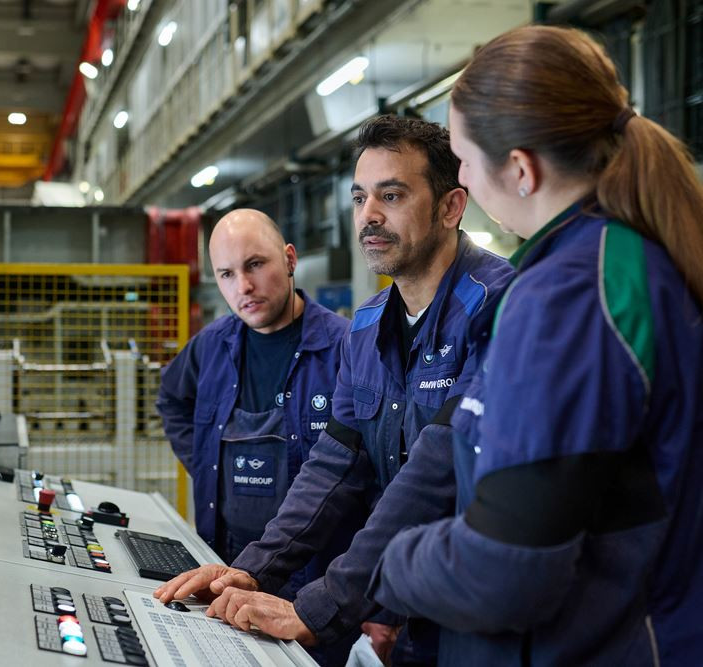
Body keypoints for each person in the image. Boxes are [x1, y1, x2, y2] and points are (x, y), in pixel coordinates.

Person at [368, 26, 703, 665]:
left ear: (520, 170)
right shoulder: (625, 260)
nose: (458, 175)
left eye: (463, 156)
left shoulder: (568, 297)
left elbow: (504, 572)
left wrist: (395, 563)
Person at [156, 116, 513, 666]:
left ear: (451, 207)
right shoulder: (368, 326)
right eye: (359, 197)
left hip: (485, 613)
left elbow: (434, 476)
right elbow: (335, 465)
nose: (368, 215)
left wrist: (322, 605)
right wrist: (252, 568)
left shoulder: (497, 307)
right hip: (415, 605)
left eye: (391, 195)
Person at [156, 209, 358, 605]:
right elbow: (171, 400)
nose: (243, 286)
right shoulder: (211, 346)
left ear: (289, 259)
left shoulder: (345, 348)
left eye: (255, 265)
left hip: (313, 578)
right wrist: (204, 463)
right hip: (220, 566)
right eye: (226, 274)